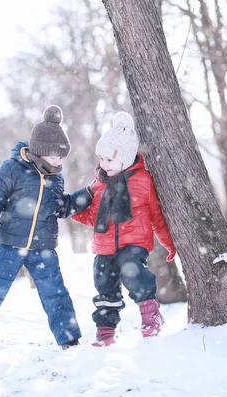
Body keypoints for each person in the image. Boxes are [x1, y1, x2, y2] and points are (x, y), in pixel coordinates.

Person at [0, 105, 93, 349]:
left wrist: (88, 194)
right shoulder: (12, 169)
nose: (59, 161)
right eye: (54, 156)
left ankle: (69, 338)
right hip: (9, 244)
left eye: (62, 157)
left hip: (43, 247)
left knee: (55, 293)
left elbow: (60, 207)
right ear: (39, 152)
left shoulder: (55, 177)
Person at [72, 111, 176, 347]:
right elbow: (93, 217)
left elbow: (157, 216)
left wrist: (168, 242)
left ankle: (150, 315)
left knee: (133, 272)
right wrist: (72, 211)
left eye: (110, 160)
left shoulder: (143, 180)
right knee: (104, 286)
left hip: (134, 243)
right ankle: (106, 331)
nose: (103, 164)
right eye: (102, 159)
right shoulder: (99, 184)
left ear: (126, 159)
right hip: (104, 246)